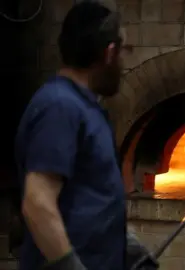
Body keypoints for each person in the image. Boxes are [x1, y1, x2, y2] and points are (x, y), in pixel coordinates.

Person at [14, 2, 156, 270]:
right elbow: (37, 202)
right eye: (125, 51)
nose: (125, 63)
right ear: (109, 53)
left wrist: (126, 245)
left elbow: (90, 195)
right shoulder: (59, 106)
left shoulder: (84, 107)